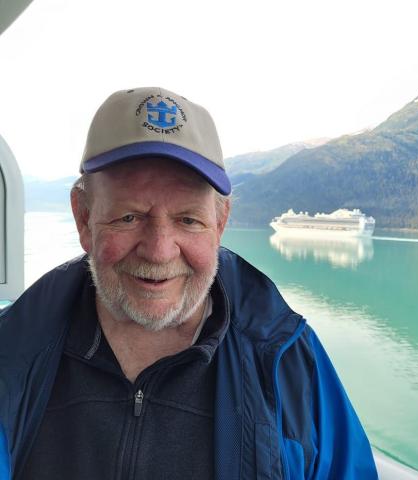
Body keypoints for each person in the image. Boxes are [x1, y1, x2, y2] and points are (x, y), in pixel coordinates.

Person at [0, 87, 378, 479]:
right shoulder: (11, 352)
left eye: (188, 220)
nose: (159, 251)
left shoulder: (288, 361)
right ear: (83, 219)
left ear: (220, 224)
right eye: (129, 217)